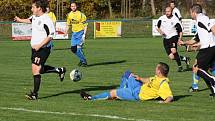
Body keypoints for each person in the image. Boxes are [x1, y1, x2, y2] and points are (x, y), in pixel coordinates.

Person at [14, 0, 66, 100]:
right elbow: (30, 20)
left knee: (36, 70)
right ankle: (59, 70)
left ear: (39, 8)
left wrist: (39, 46)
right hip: (35, 49)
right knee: (40, 69)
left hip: (43, 48)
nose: (31, 9)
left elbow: (50, 36)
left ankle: (34, 94)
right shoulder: (34, 17)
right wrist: (19, 19)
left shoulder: (46, 20)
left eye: (33, 7)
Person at [80, 62, 173, 103]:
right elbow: (149, 80)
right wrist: (139, 78)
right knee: (128, 74)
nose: (155, 69)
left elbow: (169, 97)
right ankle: (119, 94)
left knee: (113, 92)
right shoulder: (157, 77)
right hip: (139, 87)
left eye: (156, 68)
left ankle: (90, 98)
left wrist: (164, 102)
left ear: (159, 71)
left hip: (137, 94)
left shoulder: (163, 83)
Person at [179, 4, 215, 96]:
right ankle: (214, 91)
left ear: (194, 12)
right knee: (204, 70)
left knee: (196, 68)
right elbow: (195, 39)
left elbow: (213, 28)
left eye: (190, 12)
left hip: (208, 48)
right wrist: (184, 43)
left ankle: (212, 79)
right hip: (209, 48)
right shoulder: (199, 22)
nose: (190, 14)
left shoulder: (203, 18)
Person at [156, 6, 190, 72]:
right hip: (165, 38)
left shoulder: (175, 19)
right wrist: (161, 32)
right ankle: (185, 59)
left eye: (168, 11)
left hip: (173, 36)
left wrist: (179, 39)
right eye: (166, 11)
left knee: (174, 51)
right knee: (172, 57)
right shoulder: (162, 18)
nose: (167, 13)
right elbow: (157, 27)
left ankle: (180, 67)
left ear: (171, 12)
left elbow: (180, 30)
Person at [64, 1, 88, 67]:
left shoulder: (81, 15)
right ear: (70, 7)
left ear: (76, 6)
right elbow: (68, 24)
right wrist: (66, 31)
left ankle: (84, 61)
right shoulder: (69, 15)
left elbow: (85, 25)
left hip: (80, 33)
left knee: (78, 48)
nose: (73, 7)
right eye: (72, 6)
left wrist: (84, 35)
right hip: (74, 34)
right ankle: (81, 59)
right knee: (73, 49)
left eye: (74, 6)